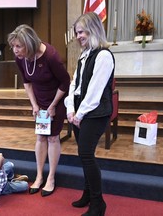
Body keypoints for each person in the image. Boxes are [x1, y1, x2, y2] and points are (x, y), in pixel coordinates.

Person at [7, 24, 70, 197]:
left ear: (29, 43)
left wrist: (53, 106)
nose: (15, 50)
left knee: (53, 137)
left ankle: (51, 178)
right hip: (40, 102)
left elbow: (66, 82)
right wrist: (34, 104)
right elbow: (27, 82)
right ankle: (40, 176)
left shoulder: (51, 56)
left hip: (57, 100)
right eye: (13, 46)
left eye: (18, 46)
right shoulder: (20, 58)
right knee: (40, 136)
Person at [64, 12, 114, 216]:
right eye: (76, 32)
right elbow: (74, 84)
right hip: (79, 112)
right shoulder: (84, 55)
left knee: (86, 155)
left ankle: (98, 203)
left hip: (95, 113)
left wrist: (80, 113)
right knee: (84, 155)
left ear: (93, 29)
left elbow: (95, 90)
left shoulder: (103, 55)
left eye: (81, 31)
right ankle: (87, 193)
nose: (78, 36)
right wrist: (70, 108)